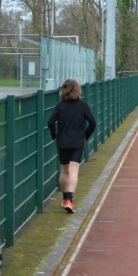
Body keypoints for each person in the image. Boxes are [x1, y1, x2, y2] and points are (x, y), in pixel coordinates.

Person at [47, 79, 97, 213]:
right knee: (74, 170)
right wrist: (86, 135)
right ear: (77, 90)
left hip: (62, 142)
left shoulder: (60, 106)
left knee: (64, 171)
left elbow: (50, 122)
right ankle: (70, 200)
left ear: (63, 90)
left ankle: (64, 199)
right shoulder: (83, 106)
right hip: (77, 142)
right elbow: (93, 123)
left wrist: (55, 135)